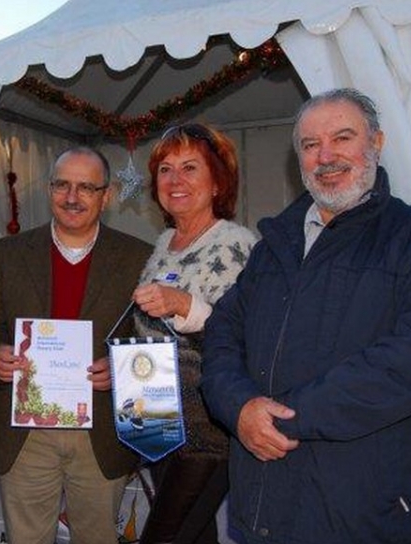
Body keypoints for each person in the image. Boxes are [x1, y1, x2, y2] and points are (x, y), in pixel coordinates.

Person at [200, 88, 411, 544]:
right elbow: (223, 336)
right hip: (263, 511)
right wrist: (240, 408)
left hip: (368, 518)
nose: (325, 156)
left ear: (377, 143)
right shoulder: (274, 248)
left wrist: (283, 418)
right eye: (310, 145)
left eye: (342, 138)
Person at [0, 146, 152, 544]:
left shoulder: (138, 257)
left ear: (106, 195)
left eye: (86, 187)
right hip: (25, 432)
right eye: (62, 185)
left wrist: (122, 369)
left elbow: (152, 339)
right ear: (49, 189)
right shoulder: (7, 252)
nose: (72, 197)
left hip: (100, 433)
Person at [131, 123, 256, 544]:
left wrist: (185, 304)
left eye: (189, 168)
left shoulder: (236, 243)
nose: (175, 180)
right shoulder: (165, 241)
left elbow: (245, 338)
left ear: (218, 180)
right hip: (160, 424)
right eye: (165, 170)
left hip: (207, 432)